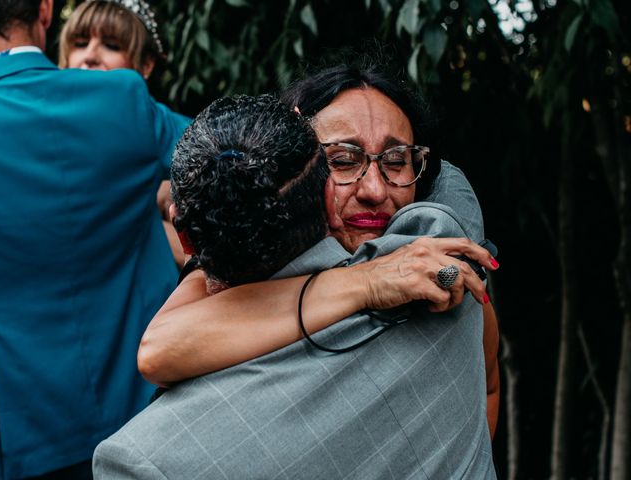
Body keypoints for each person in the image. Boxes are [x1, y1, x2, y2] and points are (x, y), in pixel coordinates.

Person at [93, 94, 498, 479]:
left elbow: (160, 349)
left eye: (396, 159)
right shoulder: (445, 238)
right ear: (318, 189)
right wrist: (363, 281)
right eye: (342, 159)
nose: (374, 189)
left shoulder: (142, 458)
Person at [0, 0, 190, 478]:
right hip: (135, 413)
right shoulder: (123, 104)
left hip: (15, 431)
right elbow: (244, 157)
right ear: (45, 11)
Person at [58, 0, 186, 266]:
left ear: (146, 66)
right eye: (80, 44)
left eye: (112, 46)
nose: (90, 56)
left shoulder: (149, 121)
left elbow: (218, 147)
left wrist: (170, 190)